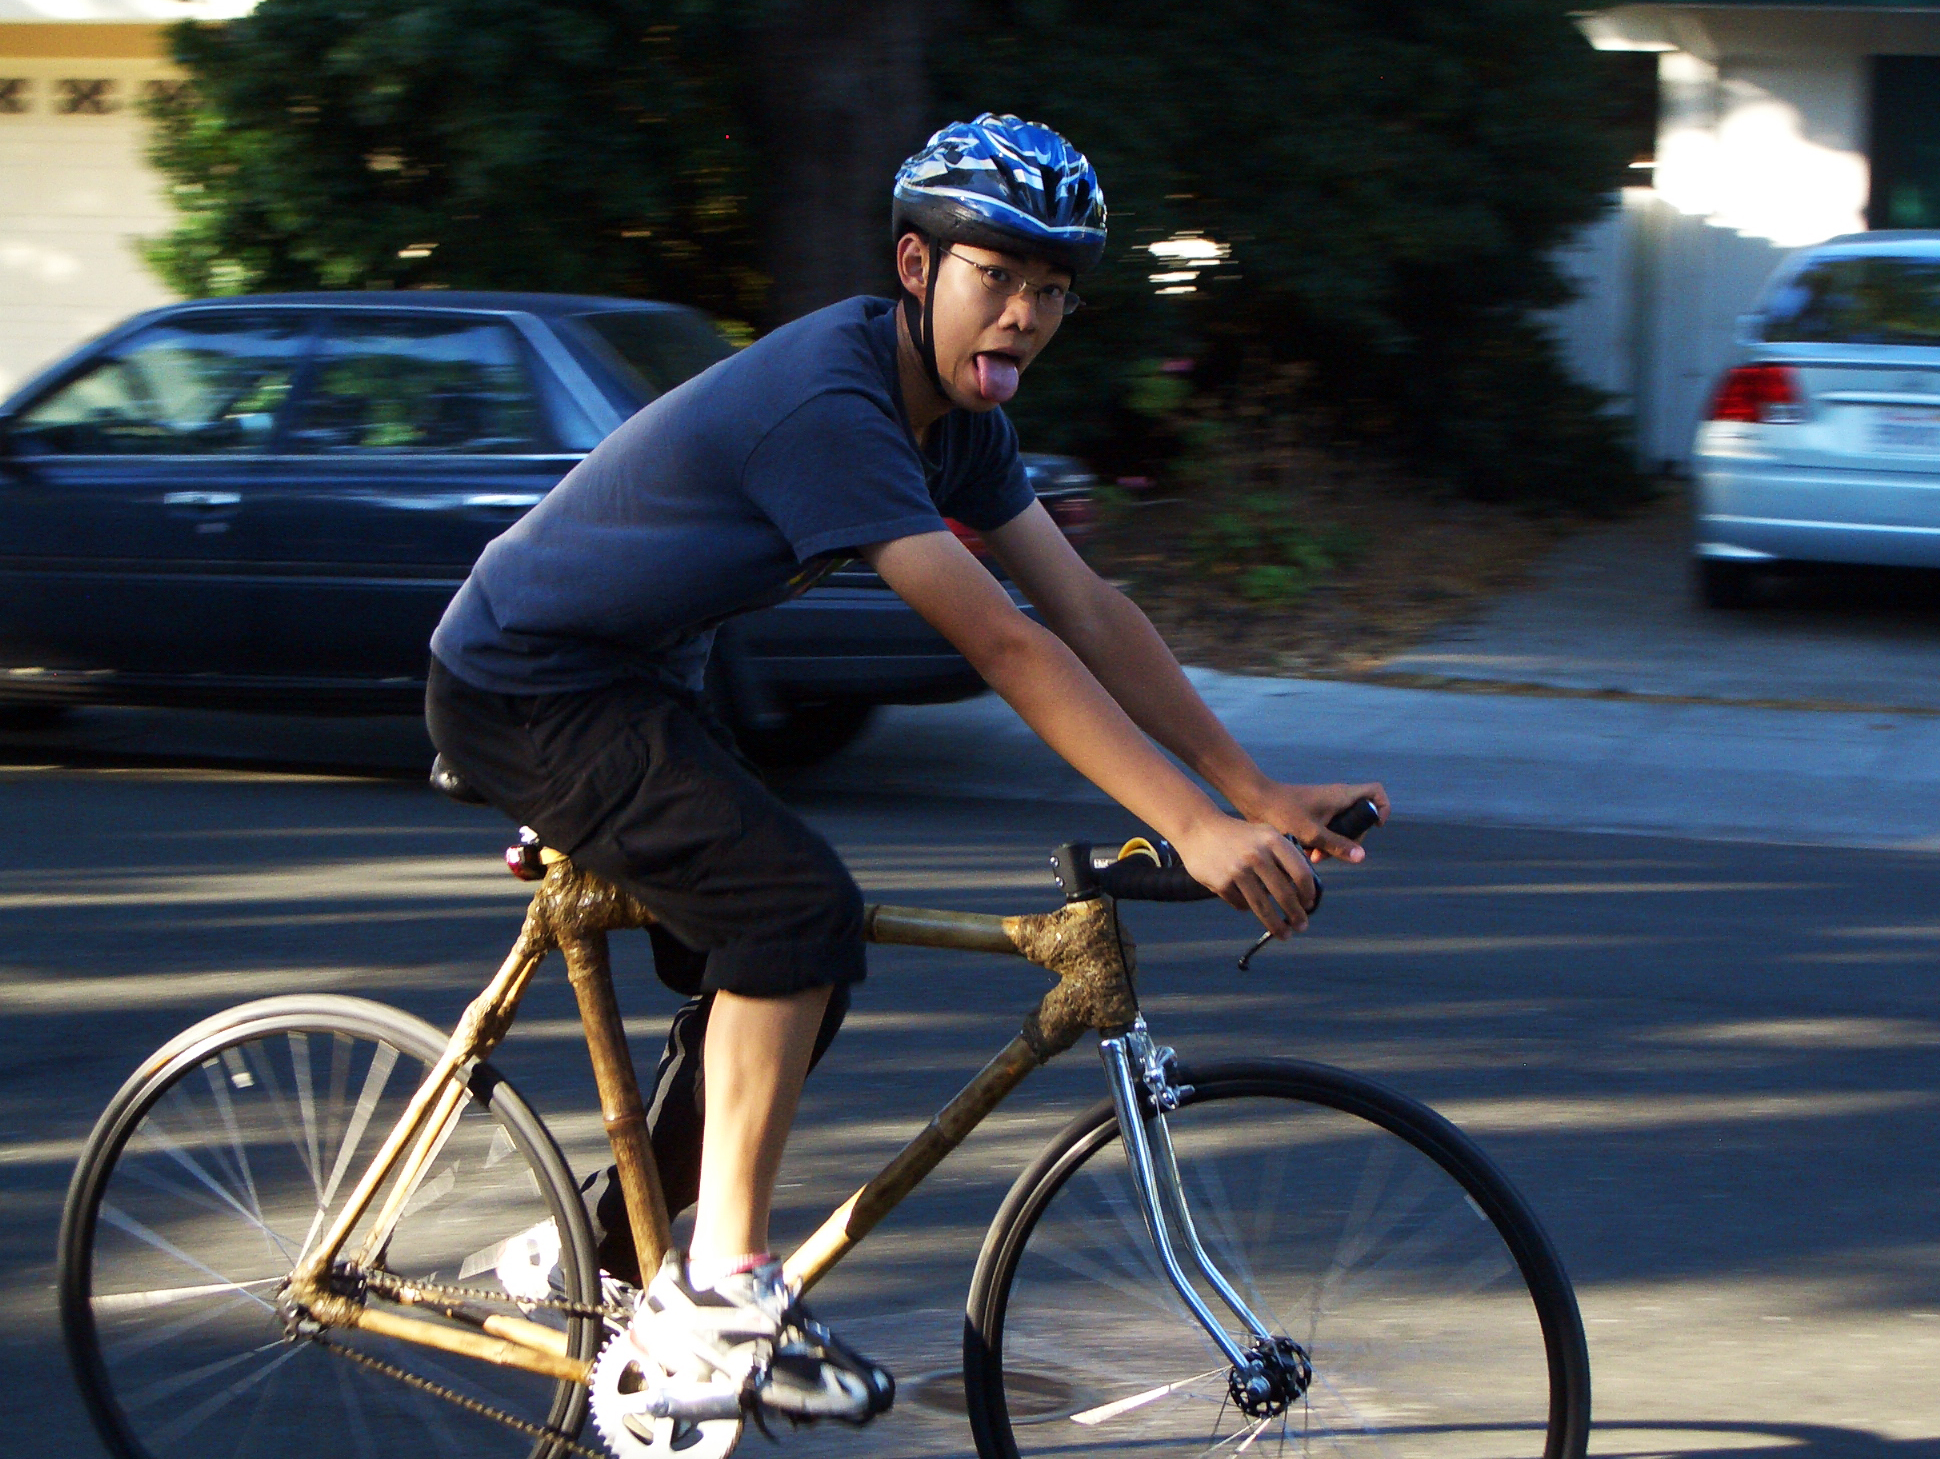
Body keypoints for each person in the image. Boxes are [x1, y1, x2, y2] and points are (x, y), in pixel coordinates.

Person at [424, 112, 1388, 1427]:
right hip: (529, 678)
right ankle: (720, 1297)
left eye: (1052, 291)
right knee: (792, 913)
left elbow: (1085, 608)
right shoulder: (836, 402)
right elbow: (1000, 638)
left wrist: (1250, 791)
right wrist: (1189, 825)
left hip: (642, 679)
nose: (1027, 317)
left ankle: (604, 1256)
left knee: (791, 976)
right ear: (917, 267)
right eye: (998, 277)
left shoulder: (960, 421)